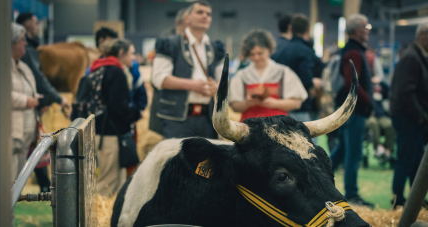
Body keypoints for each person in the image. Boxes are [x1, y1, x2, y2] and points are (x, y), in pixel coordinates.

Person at [151, 0, 225, 139]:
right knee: (178, 159)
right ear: (187, 18)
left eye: (208, 14)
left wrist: (217, 87)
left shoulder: (216, 47)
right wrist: (192, 85)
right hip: (176, 119)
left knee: (207, 160)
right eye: (199, 12)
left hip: (207, 118)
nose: (205, 16)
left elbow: (222, 80)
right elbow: (159, 78)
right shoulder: (170, 43)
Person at [15, 12, 63, 193]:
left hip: (29, 110)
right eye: (36, 23)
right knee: (31, 147)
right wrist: (55, 98)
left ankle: (44, 186)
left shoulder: (26, 55)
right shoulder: (26, 55)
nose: (25, 44)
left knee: (34, 146)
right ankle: (43, 186)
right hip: (22, 115)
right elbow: (38, 79)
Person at [329, 14, 374, 208]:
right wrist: (369, 102)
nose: (368, 31)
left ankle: (317, 178)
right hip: (354, 111)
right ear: (357, 30)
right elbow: (351, 83)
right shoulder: (354, 52)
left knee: (343, 150)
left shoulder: (349, 50)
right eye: (366, 27)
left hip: (348, 110)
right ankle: (352, 193)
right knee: (352, 153)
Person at [89, 39, 141, 197]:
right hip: (111, 134)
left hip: (100, 131)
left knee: (113, 179)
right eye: (130, 53)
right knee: (109, 182)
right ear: (121, 53)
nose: (132, 58)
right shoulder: (116, 72)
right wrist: (135, 113)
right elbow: (118, 106)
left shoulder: (98, 69)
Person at [229, 29, 307, 121]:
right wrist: (247, 103)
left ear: (268, 50)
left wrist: (275, 103)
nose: (256, 57)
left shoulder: (283, 72)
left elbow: (297, 103)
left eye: (260, 53)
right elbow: (235, 106)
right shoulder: (242, 75)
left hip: (278, 125)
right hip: (249, 126)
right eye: (252, 54)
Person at [390, 23, 428, 208]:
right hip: (408, 118)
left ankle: (415, 200)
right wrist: (421, 116)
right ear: (422, 35)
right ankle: (397, 199)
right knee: (407, 159)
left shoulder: (418, 57)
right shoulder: (412, 58)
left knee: (416, 161)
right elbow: (405, 92)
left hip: (413, 118)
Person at [272, 14, 323, 122]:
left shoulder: (280, 50)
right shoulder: (306, 51)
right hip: (300, 107)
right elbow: (306, 79)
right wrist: (314, 83)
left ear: (291, 28)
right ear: (308, 29)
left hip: (281, 106)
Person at [11, 22, 40, 183]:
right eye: (22, 39)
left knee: (16, 180)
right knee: (7, 181)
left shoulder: (23, 67)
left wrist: (38, 100)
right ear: (12, 43)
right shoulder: (2, 67)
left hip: (26, 134)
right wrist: (25, 101)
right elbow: (3, 94)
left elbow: (30, 90)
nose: (26, 43)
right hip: (10, 133)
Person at [365, 50, 395, 161]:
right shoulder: (365, 83)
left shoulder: (380, 86)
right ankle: (378, 147)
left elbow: (389, 92)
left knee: (389, 125)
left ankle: (388, 150)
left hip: (381, 114)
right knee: (373, 124)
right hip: (369, 115)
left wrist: (380, 82)